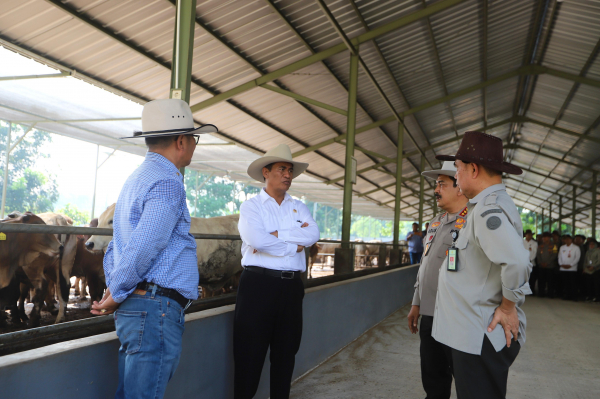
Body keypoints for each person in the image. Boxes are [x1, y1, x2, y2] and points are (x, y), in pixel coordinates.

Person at [90, 99, 218, 398]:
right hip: (154, 308)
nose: (194, 145)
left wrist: (116, 289)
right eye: (194, 138)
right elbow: (146, 245)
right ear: (182, 141)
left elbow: (118, 246)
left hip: (140, 307)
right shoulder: (168, 182)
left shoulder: (135, 179)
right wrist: (117, 291)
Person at [432, 131, 531, 399]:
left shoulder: (488, 210)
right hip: (470, 334)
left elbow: (518, 261)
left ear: (473, 170)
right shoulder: (483, 207)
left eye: (458, 170)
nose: (457, 176)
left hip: (479, 337)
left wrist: (509, 306)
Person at [234, 144, 320, 399]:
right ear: (266, 172)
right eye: (282, 169)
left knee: (286, 353)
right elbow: (257, 240)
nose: (288, 175)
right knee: (249, 354)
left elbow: (313, 234)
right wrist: (295, 244)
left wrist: (278, 236)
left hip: (291, 287)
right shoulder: (251, 207)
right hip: (258, 286)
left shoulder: (299, 207)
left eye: (290, 170)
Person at [408, 161, 468, 399]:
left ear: (459, 187)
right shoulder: (435, 223)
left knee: (465, 378)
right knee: (433, 377)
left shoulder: (473, 223)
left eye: (442, 184)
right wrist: (416, 302)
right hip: (430, 314)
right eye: (436, 184)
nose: (436, 190)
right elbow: (425, 266)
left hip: (456, 316)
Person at [558, 235, 581, 300]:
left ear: (571, 240)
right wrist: (561, 264)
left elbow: (577, 258)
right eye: (566, 239)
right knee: (565, 283)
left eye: (568, 239)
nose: (567, 240)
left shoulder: (576, 247)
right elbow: (559, 257)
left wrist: (571, 265)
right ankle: (566, 296)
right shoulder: (562, 247)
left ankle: (573, 296)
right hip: (563, 268)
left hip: (572, 268)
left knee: (572, 283)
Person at [536, 232, 558, 298]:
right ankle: (541, 293)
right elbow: (538, 255)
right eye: (544, 237)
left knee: (550, 281)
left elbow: (554, 255)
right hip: (541, 266)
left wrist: (547, 263)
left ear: (549, 238)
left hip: (550, 266)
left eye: (546, 237)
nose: (545, 239)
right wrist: (540, 262)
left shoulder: (554, 246)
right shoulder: (540, 246)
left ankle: (550, 294)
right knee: (541, 281)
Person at [524, 230, 538, 295]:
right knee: (524, 278)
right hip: (523, 263)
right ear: (525, 235)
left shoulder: (534, 243)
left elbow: (534, 253)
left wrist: (530, 259)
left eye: (531, 235)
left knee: (532, 278)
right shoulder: (522, 242)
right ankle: (524, 291)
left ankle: (531, 290)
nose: (529, 236)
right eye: (528, 234)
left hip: (531, 263)